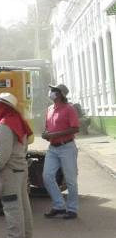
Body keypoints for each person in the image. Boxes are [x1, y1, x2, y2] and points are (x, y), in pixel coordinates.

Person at [0, 92, 34, 238]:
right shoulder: (18, 121)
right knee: (23, 204)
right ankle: (24, 237)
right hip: (20, 167)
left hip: (10, 170)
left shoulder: (5, 124)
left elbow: (3, 151)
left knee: (11, 205)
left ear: (3, 106)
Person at [42, 83, 80, 219]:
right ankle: (59, 205)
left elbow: (75, 128)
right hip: (53, 148)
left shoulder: (69, 109)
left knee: (71, 180)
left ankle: (72, 209)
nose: (50, 92)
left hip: (67, 147)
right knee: (47, 176)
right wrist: (46, 134)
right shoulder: (50, 109)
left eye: (53, 90)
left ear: (60, 94)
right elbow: (48, 128)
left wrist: (54, 135)